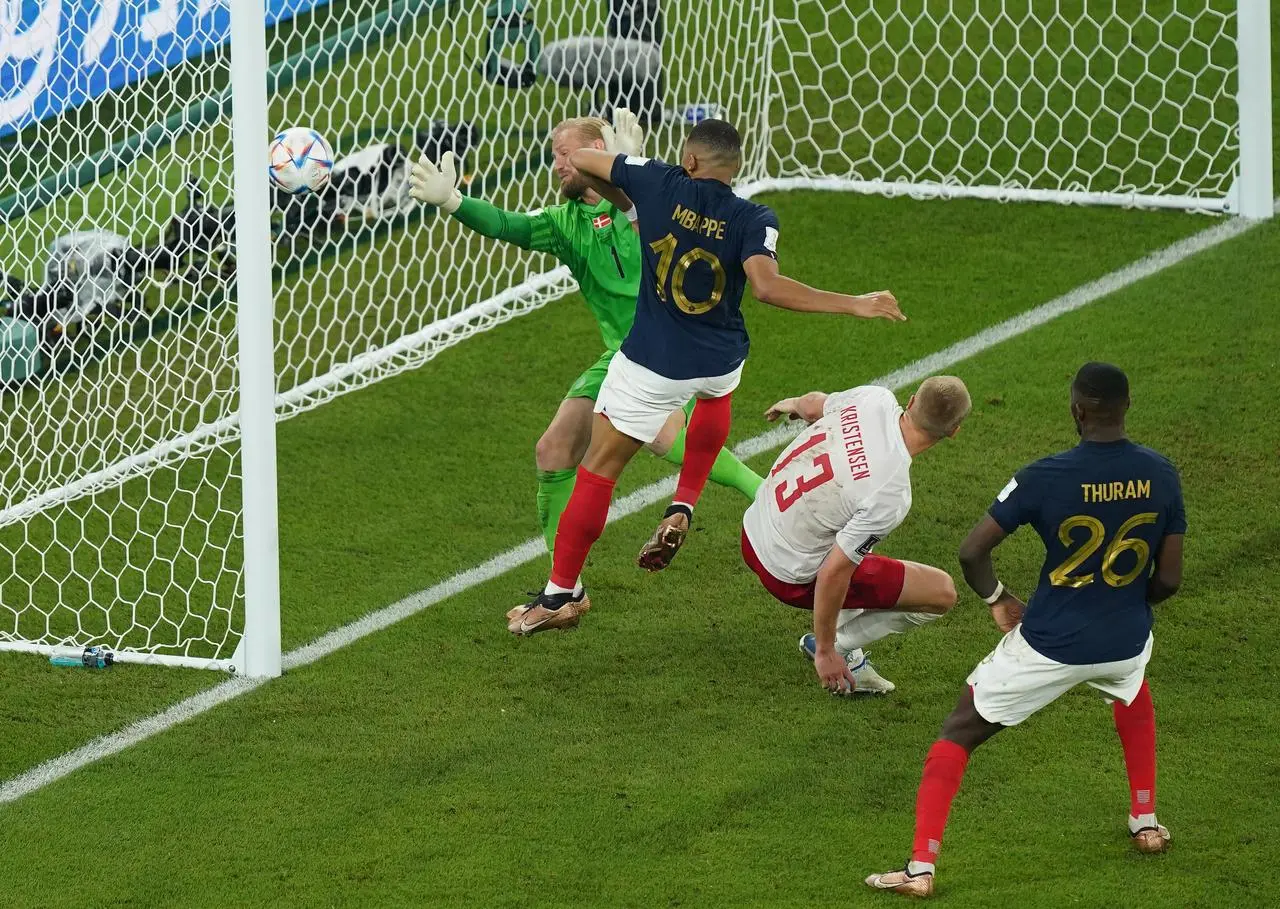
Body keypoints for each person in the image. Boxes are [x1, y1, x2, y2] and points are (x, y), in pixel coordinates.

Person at [507, 116, 905, 636]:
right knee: (715, 405)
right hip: (721, 357)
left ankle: (561, 593)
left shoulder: (659, 181)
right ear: (735, 167)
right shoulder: (754, 217)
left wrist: (625, 170)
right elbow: (766, 287)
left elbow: (582, 161)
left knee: (598, 470)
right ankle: (684, 501)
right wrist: (854, 303)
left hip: (652, 362)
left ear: (689, 160)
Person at [866, 362, 1186, 898]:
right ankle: (1146, 821)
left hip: (1050, 643)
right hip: (1126, 639)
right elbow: (1170, 580)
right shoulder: (1162, 473)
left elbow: (972, 552)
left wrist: (998, 599)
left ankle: (920, 869)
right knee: (1131, 686)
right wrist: (1127, 601)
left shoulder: (1045, 476)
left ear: (1076, 411)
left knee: (959, 730)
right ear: (1126, 407)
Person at [407, 113, 763, 579]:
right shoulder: (563, 223)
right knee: (553, 450)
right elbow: (505, 224)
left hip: (669, 349)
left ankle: (770, 491)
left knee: (663, 436)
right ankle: (563, 582)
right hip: (621, 355)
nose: (557, 164)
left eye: (565, 153)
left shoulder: (647, 200)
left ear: (596, 152)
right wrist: (453, 201)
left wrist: (629, 165)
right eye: (553, 155)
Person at [742, 379, 971, 694]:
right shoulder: (891, 492)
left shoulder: (874, 399)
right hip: (784, 573)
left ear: (913, 399)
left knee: (852, 544)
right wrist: (825, 651)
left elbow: (811, 405)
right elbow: (835, 571)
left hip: (753, 528)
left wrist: (793, 403)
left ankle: (846, 652)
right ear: (954, 431)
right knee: (941, 593)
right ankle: (842, 647)